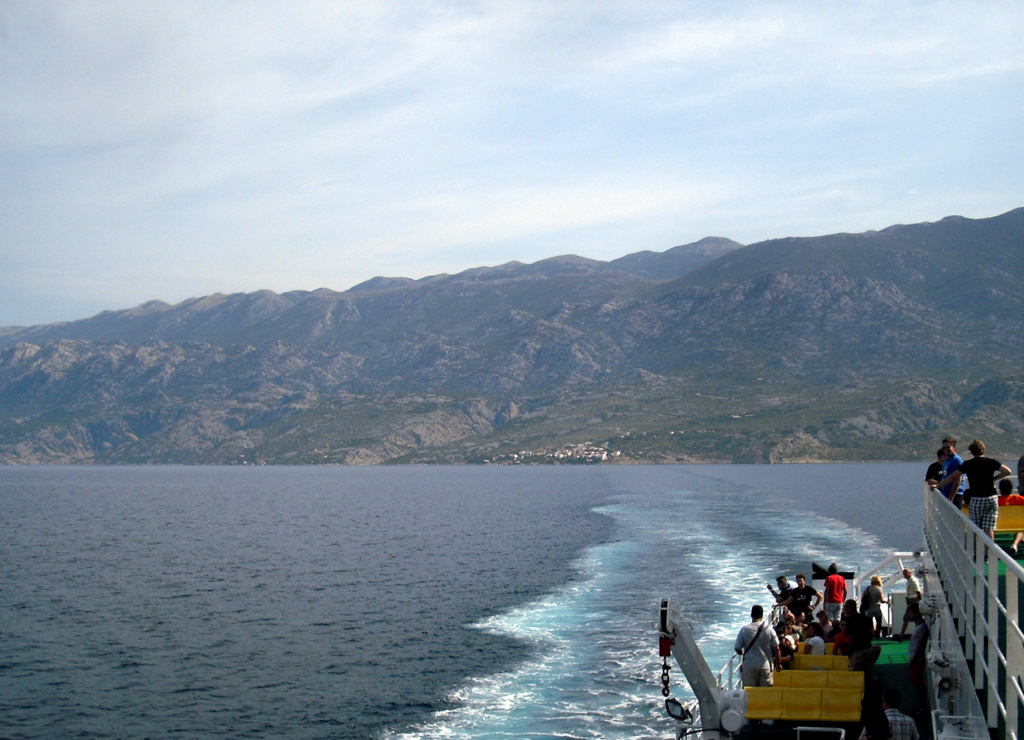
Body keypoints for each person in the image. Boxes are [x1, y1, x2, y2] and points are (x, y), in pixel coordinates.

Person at [938, 439, 1013, 541]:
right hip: (992, 498)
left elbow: (953, 477)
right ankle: (988, 553)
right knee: (989, 528)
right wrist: (994, 478)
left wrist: (939, 485)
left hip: (977, 498)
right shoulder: (991, 462)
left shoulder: (968, 464)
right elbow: (1007, 471)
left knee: (975, 527)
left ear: (972, 451)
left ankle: (975, 552)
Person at [734, 604, 782, 687]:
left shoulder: (745, 629)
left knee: (749, 693)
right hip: (765, 666)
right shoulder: (769, 629)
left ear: (751, 615)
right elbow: (777, 648)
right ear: (762, 615)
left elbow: (737, 648)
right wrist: (779, 663)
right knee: (765, 694)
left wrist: (743, 652)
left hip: (749, 666)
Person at [907, 604, 929, 708]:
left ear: (916, 614)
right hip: (915, 658)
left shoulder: (922, 627)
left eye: (911, 613)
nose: (909, 615)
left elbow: (921, 645)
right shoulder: (919, 626)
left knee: (919, 683)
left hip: (917, 660)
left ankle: (923, 706)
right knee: (917, 683)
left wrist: (914, 659)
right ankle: (921, 706)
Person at [937, 437, 966, 508]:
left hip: (955, 496)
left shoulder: (956, 460)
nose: (945, 449)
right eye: (943, 448)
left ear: (954, 447)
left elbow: (957, 480)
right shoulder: (947, 460)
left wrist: (951, 498)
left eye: (948, 447)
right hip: (945, 494)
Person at [894, 568, 922, 640]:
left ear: (910, 573)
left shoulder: (913, 581)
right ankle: (917, 634)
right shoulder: (909, 581)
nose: (904, 575)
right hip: (910, 601)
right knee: (914, 618)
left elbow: (918, 592)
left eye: (905, 573)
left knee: (908, 618)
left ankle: (901, 635)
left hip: (913, 602)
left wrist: (918, 602)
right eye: (903, 574)